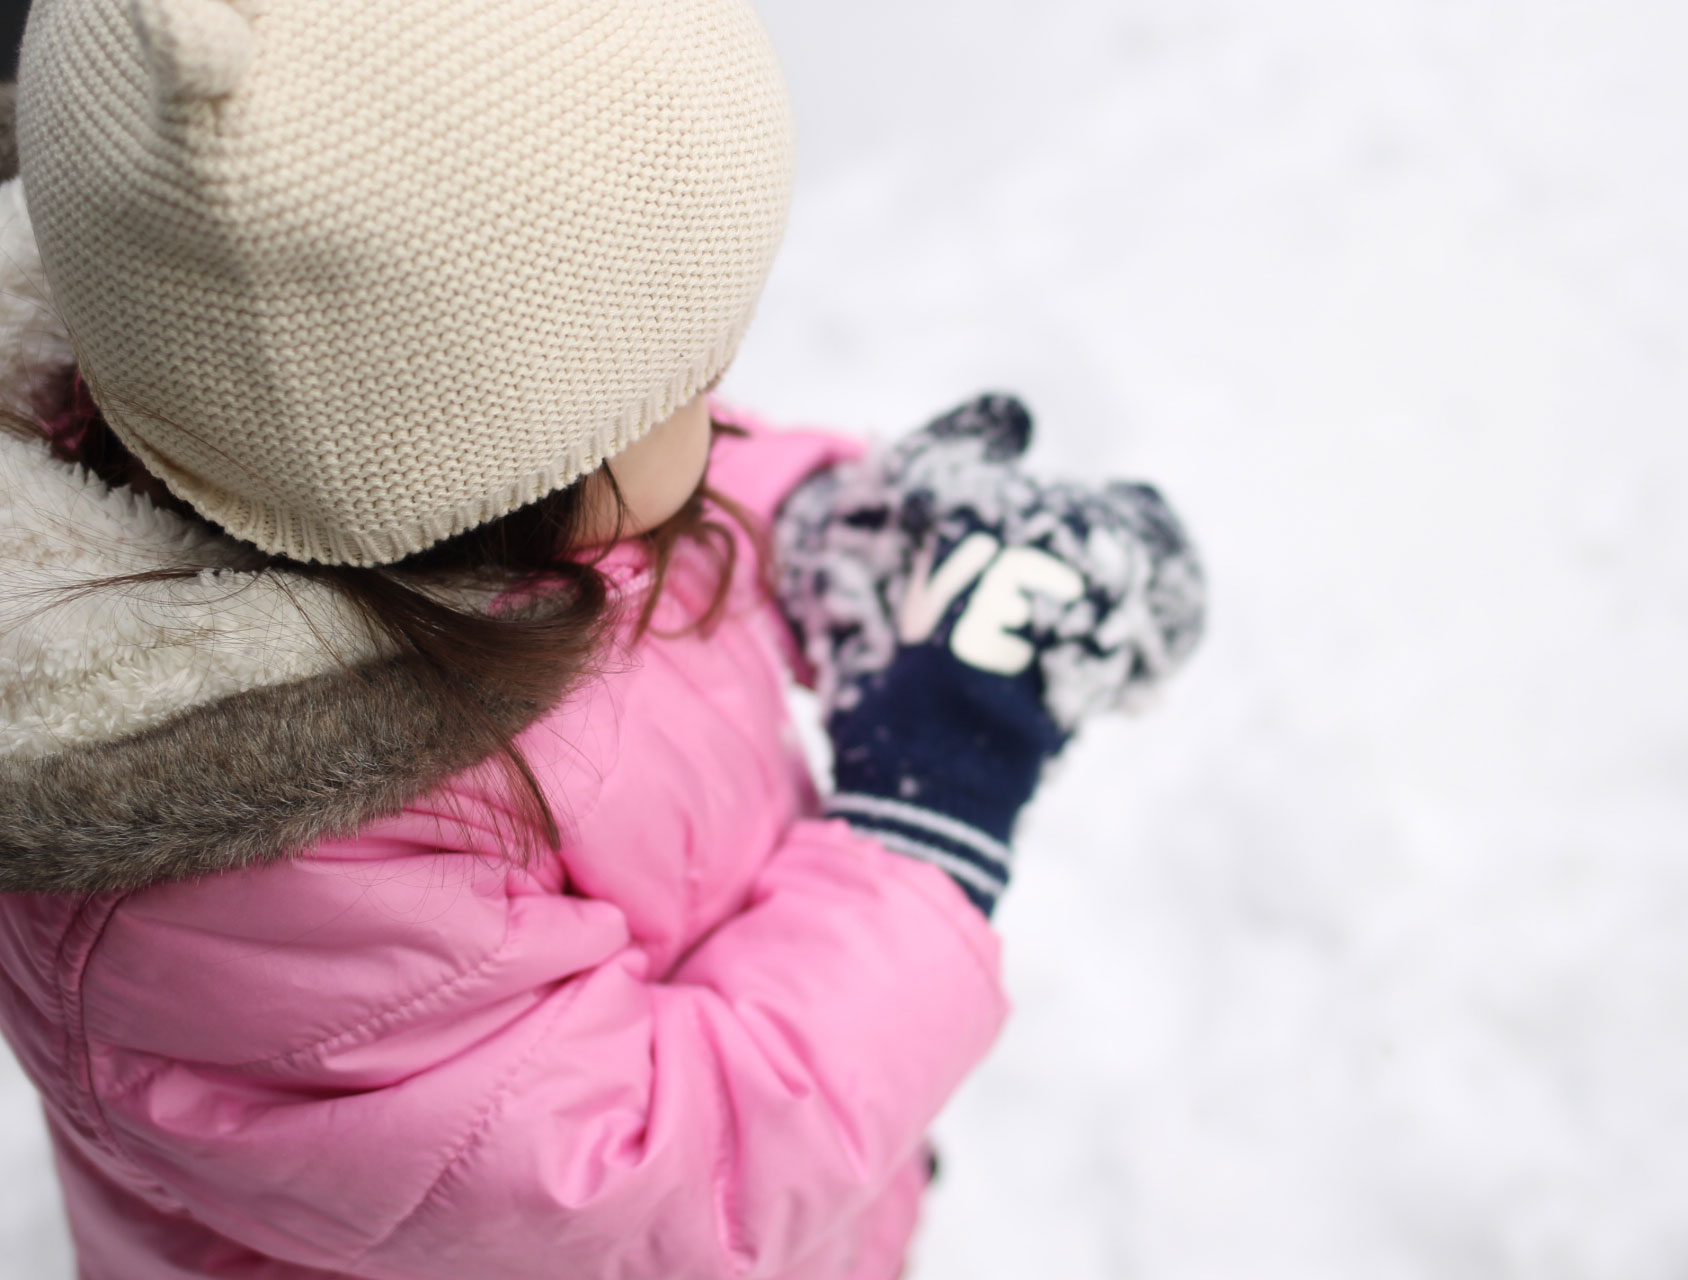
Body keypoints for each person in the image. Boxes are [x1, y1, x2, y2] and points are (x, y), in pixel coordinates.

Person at [0, 1, 1204, 1278]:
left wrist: (824, 526)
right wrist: (931, 820)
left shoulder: (316, 451)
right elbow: (665, 1185)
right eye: (685, 384)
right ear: (491, 474)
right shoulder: (243, 889)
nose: (715, 412)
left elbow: (612, 525)